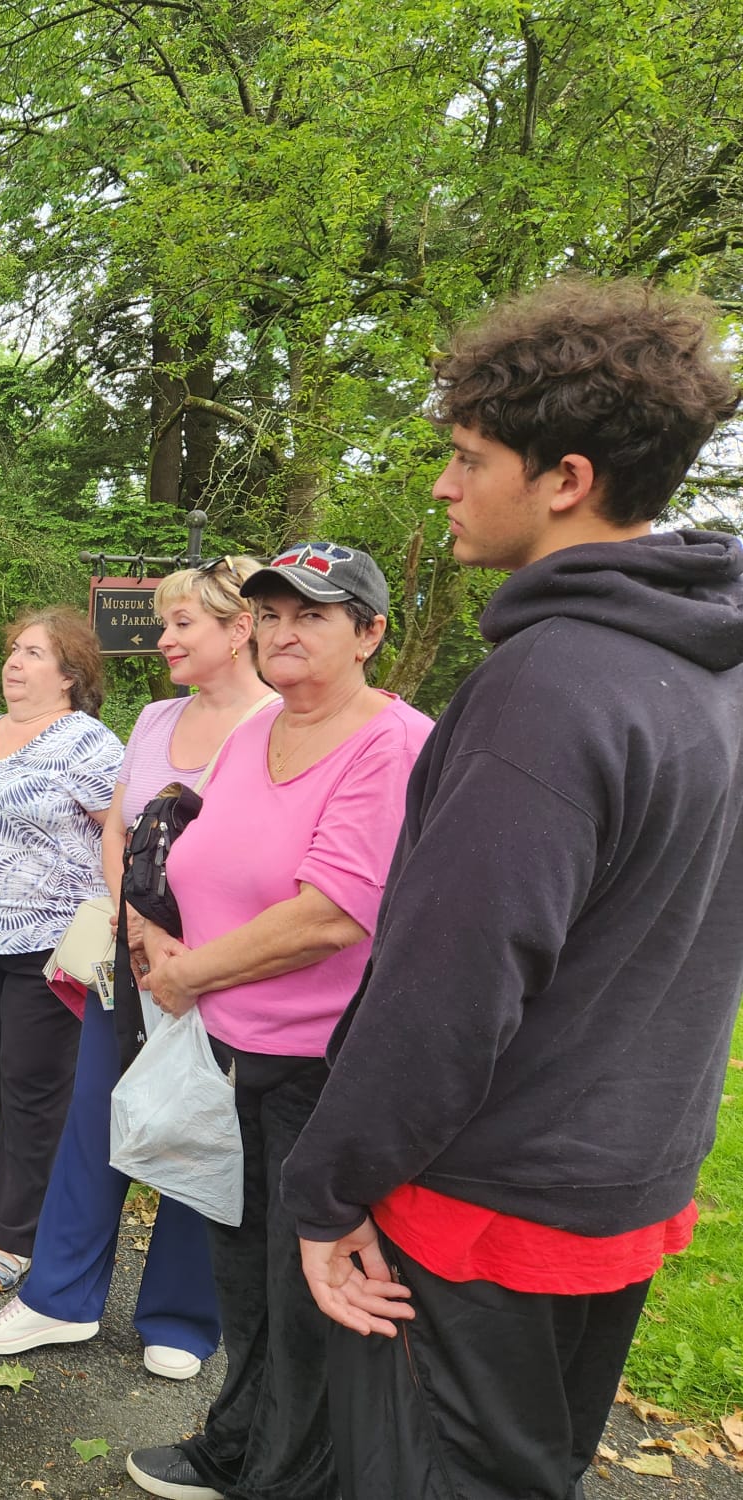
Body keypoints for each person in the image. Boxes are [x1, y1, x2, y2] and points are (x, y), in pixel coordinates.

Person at [283, 281, 743, 1499]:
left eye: (466, 456)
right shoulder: (708, 672)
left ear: (564, 479)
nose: (442, 485)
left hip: (481, 1211)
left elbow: (444, 992)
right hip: (623, 1185)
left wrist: (324, 1194)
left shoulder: (546, 689)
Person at [123, 544, 433, 1500]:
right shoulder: (258, 731)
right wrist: (148, 939)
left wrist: (186, 977)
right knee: (244, 1272)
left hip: (320, 1067)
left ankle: (288, 1476)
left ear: (371, 633)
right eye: (270, 612)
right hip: (226, 1050)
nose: (284, 631)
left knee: (308, 1294)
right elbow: (183, 842)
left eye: (315, 615)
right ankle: (238, 1441)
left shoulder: (393, 742)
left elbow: (333, 911)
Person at [0, 559, 272, 1379]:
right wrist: (137, 925)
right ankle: (57, 1300)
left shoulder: (279, 724)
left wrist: (193, 957)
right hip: (128, 958)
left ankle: (179, 1317)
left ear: (239, 631)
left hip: (226, 971)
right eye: (165, 622)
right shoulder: (154, 719)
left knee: (196, 1128)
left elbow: (258, 856)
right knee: (93, 1122)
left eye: (182, 626)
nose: (162, 638)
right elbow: (120, 832)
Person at [0, 607, 122, 1291]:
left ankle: (20, 1236)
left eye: (34, 653)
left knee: (36, 1085)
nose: (15, 662)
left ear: (71, 674)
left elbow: (120, 832)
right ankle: (3, 1196)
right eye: (13, 650)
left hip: (51, 941)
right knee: (2, 1073)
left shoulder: (87, 744)